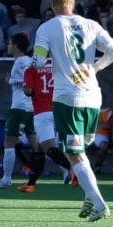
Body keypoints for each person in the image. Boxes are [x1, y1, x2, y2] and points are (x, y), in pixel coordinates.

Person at [33, 0, 113, 222]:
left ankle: (99, 202)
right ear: (73, 1)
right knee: (80, 151)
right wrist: (94, 67)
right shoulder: (91, 24)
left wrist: (39, 59)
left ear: (52, 3)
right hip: (93, 96)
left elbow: (39, 63)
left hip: (67, 97)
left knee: (74, 154)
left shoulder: (47, 28)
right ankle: (89, 195)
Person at [20, 54, 77, 191]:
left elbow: (28, 91)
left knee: (49, 149)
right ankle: (30, 185)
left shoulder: (31, 68)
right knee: (38, 148)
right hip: (57, 109)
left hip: (42, 112)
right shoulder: (58, 66)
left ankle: (73, 169)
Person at [0, 34, 38, 190]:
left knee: (8, 142)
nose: (8, 46)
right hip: (30, 107)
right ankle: (66, 168)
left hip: (19, 107)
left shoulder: (21, 61)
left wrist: (9, 80)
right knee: (37, 144)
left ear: (16, 46)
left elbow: (26, 82)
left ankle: (7, 179)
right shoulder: (30, 61)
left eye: (10, 43)